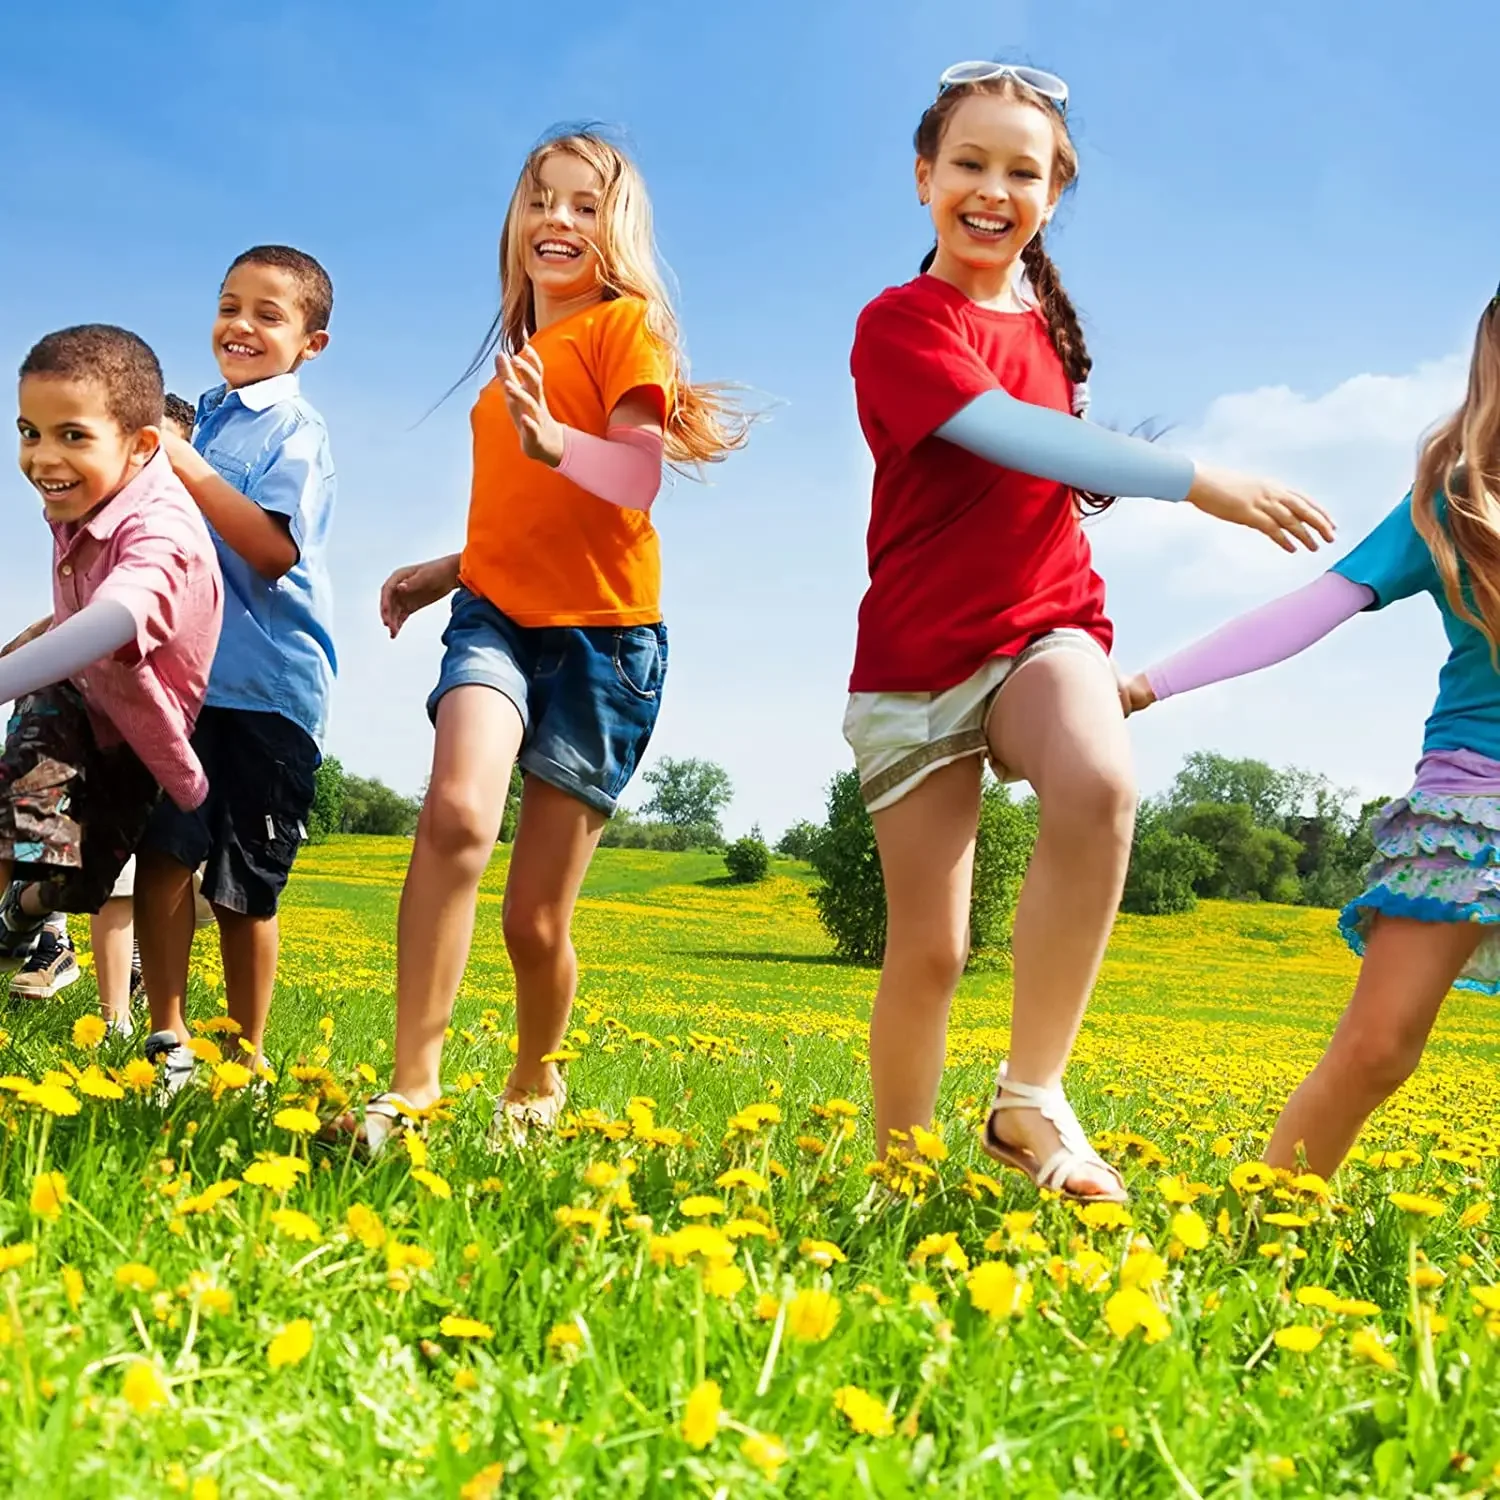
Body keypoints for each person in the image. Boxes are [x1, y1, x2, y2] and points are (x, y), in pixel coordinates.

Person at [845, 61, 1334, 1200]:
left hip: (1042, 630)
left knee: (1103, 784)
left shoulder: (1051, 331)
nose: (991, 188)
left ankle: (1030, 1097)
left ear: (1052, 193)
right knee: (931, 950)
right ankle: (899, 1176)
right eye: (968, 162)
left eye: (1023, 170)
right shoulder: (900, 322)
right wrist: (1194, 477)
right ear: (924, 177)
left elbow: (1047, 457)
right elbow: (1011, 435)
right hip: (915, 663)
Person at [355, 129, 748, 1152]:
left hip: (605, 645)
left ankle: (535, 1083)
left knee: (534, 919)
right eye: (540, 199)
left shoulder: (628, 332)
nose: (558, 219)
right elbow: (525, 514)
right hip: (495, 619)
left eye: (583, 204)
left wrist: (556, 440)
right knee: (452, 818)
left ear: (612, 230)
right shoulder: (510, 375)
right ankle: (413, 1087)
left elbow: (631, 481)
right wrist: (446, 570)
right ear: (514, 221)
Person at [1121, 285, 1500, 1179]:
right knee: (1377, 1051)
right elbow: (1312, 608)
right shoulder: (1455, 505)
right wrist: (1141, 685)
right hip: (1473, 800)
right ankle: (1266, 1226)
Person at [138, 246, 336, 1090]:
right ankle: (167, 1037)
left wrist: (186, 464)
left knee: (243, 882)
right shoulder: (200, 420)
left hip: (267, 688)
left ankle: (246, 1053)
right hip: (180, 679)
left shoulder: (296, 431)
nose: (240, 325)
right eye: (229, 305)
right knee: (164, 850)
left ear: (310, 345)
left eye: (268, 313)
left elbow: (268, 549)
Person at [0, 327, 222, 1034]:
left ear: (142, 446)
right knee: (15, 823)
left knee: (79, 884)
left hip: (138, 739)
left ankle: (24, 915)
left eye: (70, 434)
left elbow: (119, 615)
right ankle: (16, 908)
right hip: (74, 701)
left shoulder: (166, 528)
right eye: (29, 431)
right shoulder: (81, 496)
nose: (42, 458)